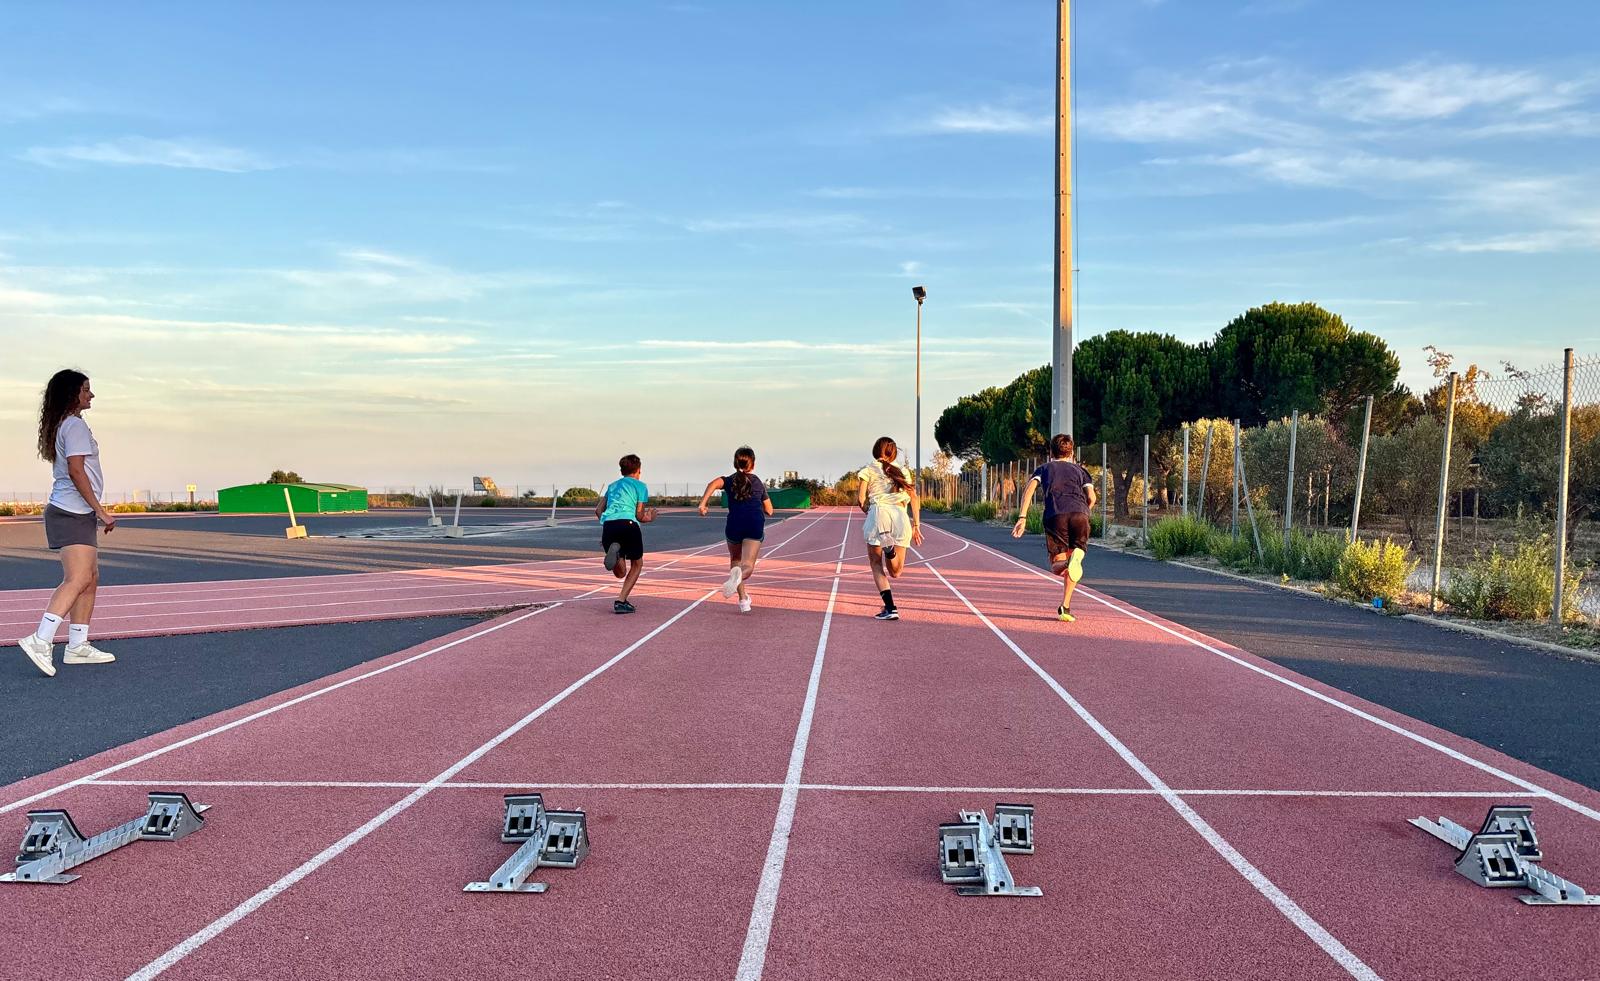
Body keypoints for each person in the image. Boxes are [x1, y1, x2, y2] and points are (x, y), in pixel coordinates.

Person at [17, 370, 118, 677]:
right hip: (71, 512)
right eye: (86, 389)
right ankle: (40, 639)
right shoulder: (73, 425)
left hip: (76, 512)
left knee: (90, 577)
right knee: (77, 578)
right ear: (73, 393)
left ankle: (77, 646)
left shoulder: (70, 424)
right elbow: (77, 471)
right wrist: (100, 510)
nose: (91, 395)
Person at [1012, 432, 1097, 622]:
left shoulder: (1044, 469)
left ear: (1050, 452)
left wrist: (1022, 517)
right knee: (1076, 562)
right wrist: (1084, 512)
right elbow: (1092, 498)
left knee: (1057, 567)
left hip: (1056, 516)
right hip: (1080, 515)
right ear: (1072, 452)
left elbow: (1029, 490)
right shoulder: (1081, 471)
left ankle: (1068, 565)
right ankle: (1065, 607)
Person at [696, 446, 774, 613]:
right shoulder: (757, 482)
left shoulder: (730, 480)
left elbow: (713, 484)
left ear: (735, 463)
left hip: (734, 525)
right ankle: (739, 579)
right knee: (747, 566)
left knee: (735, 561)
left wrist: (703, 504)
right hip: (753, 524)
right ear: (752, 464)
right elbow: (769, 510)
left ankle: (743, 600)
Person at [857, 436, 921, 621]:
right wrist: (916, 525)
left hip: (879, 515)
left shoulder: (868, 470)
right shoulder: (903, 472)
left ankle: (891, 607)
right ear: (893, 454)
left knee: (876, 564)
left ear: (875, 451)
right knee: (896, 572)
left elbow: (861, 500)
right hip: (901, 516)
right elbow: (914, 498)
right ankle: (890, 552)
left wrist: (869, 512)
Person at [596, 454, 657, 614]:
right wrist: (649, 518)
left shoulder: (612, 486)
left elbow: (598, 510)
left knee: (620, 573)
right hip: (628, 524)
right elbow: (638, 515)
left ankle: (615, 554)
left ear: (621, 470)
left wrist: (606, 527)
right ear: (638, 470)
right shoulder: (640, 486)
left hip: (609, 525)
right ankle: (621, 601)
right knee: (637, 564)